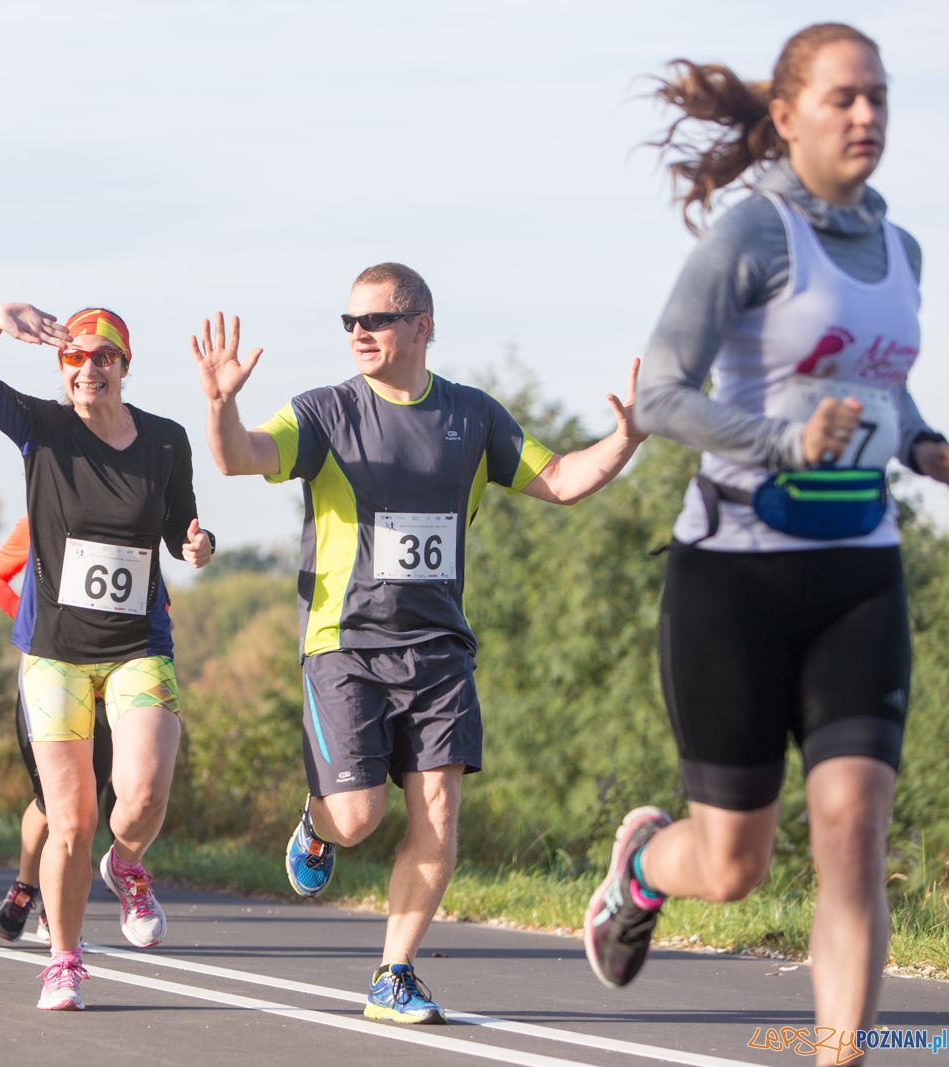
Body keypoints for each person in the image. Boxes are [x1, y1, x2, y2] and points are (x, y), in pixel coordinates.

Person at [585, 26, 947, 1054]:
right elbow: (658, 395)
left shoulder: (902, 248)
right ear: (786, 119)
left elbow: (881, 388)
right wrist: (785, 440)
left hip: (857, 572)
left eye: (878, 96)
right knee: (735, 864)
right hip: (731, 578)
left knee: (852, 830)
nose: (867, 115)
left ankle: (840, 1053)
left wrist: (922, 445)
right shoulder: (748, 237)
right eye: (844, 99)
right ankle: (646, 863)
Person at [196, 266, 644, 1024]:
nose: (359, 333)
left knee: (438, 807)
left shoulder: (473, 417)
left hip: (438, 647)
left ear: (422, 325)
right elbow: (239, 455)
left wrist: (627, 439)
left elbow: (563, 479)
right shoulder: (326, 412)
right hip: (344, 644)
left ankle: (393, 973)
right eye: (348, 321)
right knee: (361, 814)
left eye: (376, 318)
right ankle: (318, 818)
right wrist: (221, 402)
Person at [0, 304, 213, 1010]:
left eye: (103, 356)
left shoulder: (165, 440)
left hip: (136, 644)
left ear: (124, 365)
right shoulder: (43, 428)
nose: (88, 368)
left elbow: (179, 527)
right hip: (57, 654)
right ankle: (64, 959)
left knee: (145, 790)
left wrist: (197, 544)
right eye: (75, 356)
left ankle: (127, 865)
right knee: (69, 819)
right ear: (61, 367)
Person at [0, 515, 116, 943]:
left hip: (106, 689)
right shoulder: (41, 515)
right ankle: (26, 887)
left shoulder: (128, 515)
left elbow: (155, 603)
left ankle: (54, 905)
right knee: (53, 801)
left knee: (86, 806)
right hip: (48, 677)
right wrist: (37, 620)